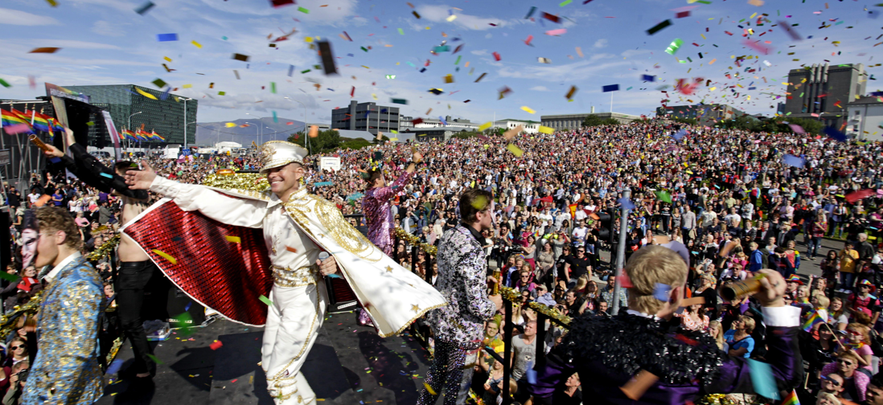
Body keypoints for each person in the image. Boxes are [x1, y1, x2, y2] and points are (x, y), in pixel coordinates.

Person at [126, 141, 445, 405]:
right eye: (269, 170)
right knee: (272, 364)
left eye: (280, 168)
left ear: (299, 172)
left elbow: (352, 249)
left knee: (279, 373)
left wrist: (334, 259)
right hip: (279, 295)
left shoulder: (316, 208)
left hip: (304, 300)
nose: (272, 175)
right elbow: (206, 200)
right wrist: (157, 183)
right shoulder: (268, 207)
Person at [525, 246, 802, 404]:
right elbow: (781, 378)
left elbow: (537, 383)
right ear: (675, 294)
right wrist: (774, 305)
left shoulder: (588, 331)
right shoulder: (693, 353)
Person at [43, 130, 159, 381]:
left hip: (135, 270)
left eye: (117, 178)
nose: (112, 183)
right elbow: (96, 179)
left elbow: (99, 173)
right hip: (133, 268)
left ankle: (146, 366)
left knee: (130, 321)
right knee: (130, 320)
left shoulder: (137, 193)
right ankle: (144, 362)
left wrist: (74, 145)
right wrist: (64, 156)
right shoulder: (132, 196)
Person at [418, 188, 503, 405]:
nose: (493, 216)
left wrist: (480, 283)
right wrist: (493, 304)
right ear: (479, 215)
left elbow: (454, 280)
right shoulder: (473, 249)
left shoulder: (448, 235)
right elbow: (477, 306)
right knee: (457, 392)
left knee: (436, 375)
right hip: (462, 334)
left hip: (442, 323)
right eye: (491, 211)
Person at [22, 207, 103, 404]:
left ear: (59, 237)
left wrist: (45, 401)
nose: (27, 251)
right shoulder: (68, 277)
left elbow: (73, 355)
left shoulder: (77, 284)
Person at [361, 150, 421, 256]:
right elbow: (398, 185)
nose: (385, 180)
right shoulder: (378, 193)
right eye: (382, 178)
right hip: (382, 241)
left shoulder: (367, 195)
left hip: (373, 239)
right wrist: (413, 163)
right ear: (376, 180)